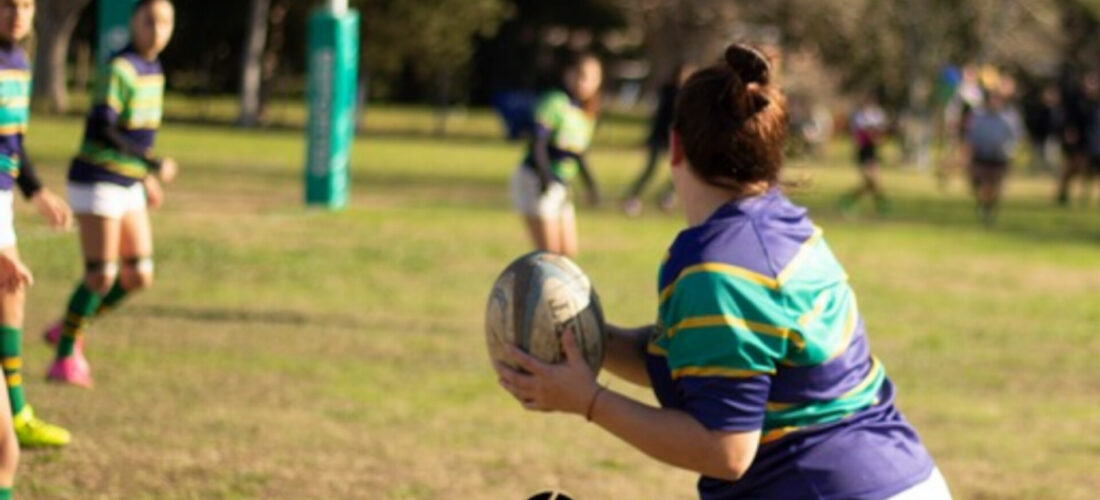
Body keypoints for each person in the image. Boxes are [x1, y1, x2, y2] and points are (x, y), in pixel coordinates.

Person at [494, 44, 950, 500]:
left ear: (675, 147)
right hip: (898, 477)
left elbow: (726, 452)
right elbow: (700, 361)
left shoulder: (719, 270)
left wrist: (589, 401)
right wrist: (582, 336)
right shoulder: (784, 226)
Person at [43, 0, 177, 388]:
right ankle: (64, 356)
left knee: (139, 275)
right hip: (97, 178)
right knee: (101, 276)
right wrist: (152, 166)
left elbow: (136, 134)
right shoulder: (121, 68)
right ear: (134, 21)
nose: (157, 30)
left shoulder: (154, 68)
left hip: (127, 180)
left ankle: (69, 326)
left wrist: (142, 176)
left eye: (165, 22)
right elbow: (104, 128)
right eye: (149, 20)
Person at [0, 0, 73, 447]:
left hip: (4, 195)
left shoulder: (20, 61)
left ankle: (17, 412)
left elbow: (14, 143)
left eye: (26, 4)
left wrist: (36, 190)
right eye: (8, 5)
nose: (18, 14)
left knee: (11, 294)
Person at [510, 52, 600, 258]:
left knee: (568, 256)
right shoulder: (555, 102)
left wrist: (590, 185)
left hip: (560, 183)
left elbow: (579, 154)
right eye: (579, 74)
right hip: (536, 179)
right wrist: (545, 178)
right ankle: (533, 290)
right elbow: (538, 143)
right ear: (568, 74)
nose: (584, 82)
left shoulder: (587, 113)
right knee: (550, 258)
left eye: (591, 77)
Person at [622, 64, 693, 217]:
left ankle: (666, 196)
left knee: (682, 170)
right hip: (660, 137)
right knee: (650, 170)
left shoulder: (685, 94)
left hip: (674, 138)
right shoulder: (669, 93)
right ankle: (633, 197)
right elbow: (661, 118)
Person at [964, 86, 1022, 225]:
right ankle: (984, 205)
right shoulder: (978, 116)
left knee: (995, 186)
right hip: (981, 155)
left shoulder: (1009, 118)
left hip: (1000, 157)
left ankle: (989, 207)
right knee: (982, 185)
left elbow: (1016, 137)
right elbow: (970, 136)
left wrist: (1011, 151)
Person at [839, 94, 890, 214]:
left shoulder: (878, 114)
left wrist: (879, 138)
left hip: (873, 151)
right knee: (871, 180)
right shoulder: (859, 116)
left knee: (873, 182)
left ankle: (849, 200)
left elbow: (882, 132)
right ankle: (881, 206)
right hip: (863, 151)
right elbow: (857, 135)